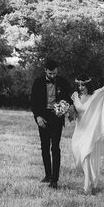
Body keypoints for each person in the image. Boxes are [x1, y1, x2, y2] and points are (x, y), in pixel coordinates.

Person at [70, 76, 104, 195]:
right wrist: (69, 113)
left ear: (87, 85)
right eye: (79, 85)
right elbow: (72, 112)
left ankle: (87, 187)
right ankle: (92, 182)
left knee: (87, 156)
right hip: (79, 129)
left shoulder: (94, 96)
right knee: (78, 153)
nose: (80, 88)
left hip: (91, 130)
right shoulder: (75, 96)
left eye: (83, 85)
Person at [30, 59, 72, 189]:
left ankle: (55, 180)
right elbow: (33, 102)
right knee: (44, 147)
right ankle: (47, 175)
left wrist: (63, 109)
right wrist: (38, 117)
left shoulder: (63, 82)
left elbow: (68, 99)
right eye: (50, 73)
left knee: (55, 147)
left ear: (57, 71)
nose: (53, 76)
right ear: (45, 71)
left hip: (57, 117)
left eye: (54, 73)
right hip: (43, 117)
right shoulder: (38, 82)